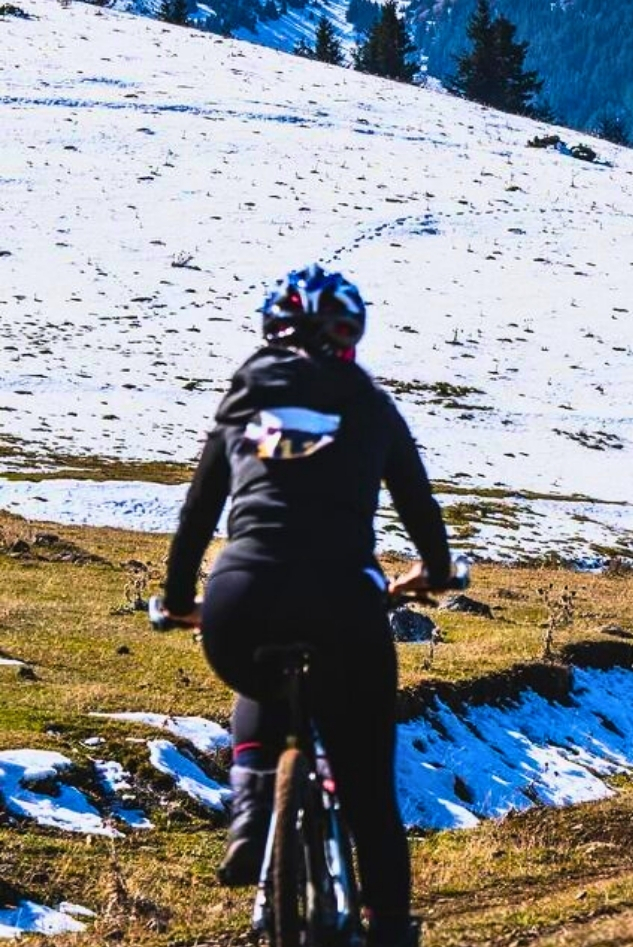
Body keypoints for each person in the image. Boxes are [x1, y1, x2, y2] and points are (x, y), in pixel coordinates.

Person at [157, 264, 453, 947]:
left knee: (262, 670)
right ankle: (386, 929)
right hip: (345, 600)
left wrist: (179, 600)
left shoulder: (242, 400)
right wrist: (433, 574)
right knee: (369, 790)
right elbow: (420, 507)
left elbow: (197, 513)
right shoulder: (370, 404)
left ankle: (252, 801)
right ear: (347, 337)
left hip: (240, 596)